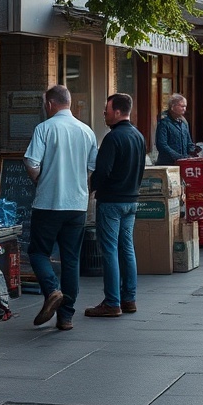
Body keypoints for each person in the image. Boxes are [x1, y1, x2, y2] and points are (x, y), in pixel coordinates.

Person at [24, 85, 98, 332]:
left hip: (48, 203)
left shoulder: (44, 128)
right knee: (71, 259)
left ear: (50, 104)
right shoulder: (86, 131)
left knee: (38, 252)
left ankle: (52, 290)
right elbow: (91, 167)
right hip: (76, 204)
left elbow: (31, 162)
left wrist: (39, 179)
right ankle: (66, 317)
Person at [85, 93, 145, 319]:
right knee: (126, 248)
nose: (104, 114)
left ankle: (112, 302)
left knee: (109, 250)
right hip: (131, 200)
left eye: (107, 110)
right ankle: (129, 298)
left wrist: (92, 190)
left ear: (118, 112)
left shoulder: (112, 139)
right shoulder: (138, 136)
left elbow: (102, 171)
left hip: (111, 201)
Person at [154, 94, 199, 165]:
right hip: (168, 163)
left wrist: (194, 151)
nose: (184, 109)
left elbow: (189, 142)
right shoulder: (164, 123)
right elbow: (162, 145)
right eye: (182, 106)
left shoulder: (184, 123)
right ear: (172, 106)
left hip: (183, 163)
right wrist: (178, 157)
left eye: (185, 106)